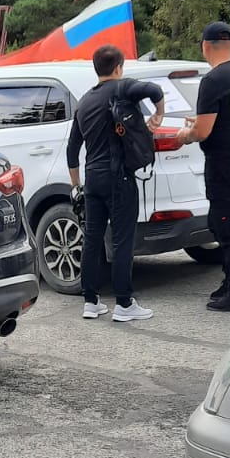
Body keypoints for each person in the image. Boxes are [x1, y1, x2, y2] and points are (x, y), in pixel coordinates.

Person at [66, 45, 165, 322]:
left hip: (91, 180)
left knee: (92, 240)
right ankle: (124, 303)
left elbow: (72, 149)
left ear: (96, 68)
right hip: (119, 177)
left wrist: (76, 187)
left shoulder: (84, 101)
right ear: (119, 67)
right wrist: (158, 115)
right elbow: (155, 91)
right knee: (122, 240)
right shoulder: (122, 88)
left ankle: (91, 301)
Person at [175, 22, 230, 314]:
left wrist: (185, 135)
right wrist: (198, 123)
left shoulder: (213, 79)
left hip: (227, 160)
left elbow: (202, 132)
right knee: (221, 220)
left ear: (205, 46)